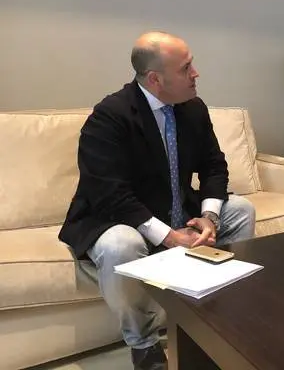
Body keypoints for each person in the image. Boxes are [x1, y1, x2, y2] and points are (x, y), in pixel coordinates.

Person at [59, 31, 255, 370]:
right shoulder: (110, 116)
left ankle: (213, 322)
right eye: (186, 68)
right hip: (118, 216)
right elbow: (109, 193)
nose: (196, 73)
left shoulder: (193, 108)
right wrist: (169, 237)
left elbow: (214, 165)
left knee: (241, 210)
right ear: (155, 79)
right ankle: (144, 344)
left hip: (177, 210)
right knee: (121, 244)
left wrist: (209, 217)